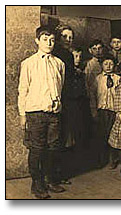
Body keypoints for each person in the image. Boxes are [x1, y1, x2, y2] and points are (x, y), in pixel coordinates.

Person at [18, 25, 65, 199]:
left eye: (52, 40)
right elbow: (23, 90)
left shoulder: (59, 63)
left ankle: (49, 179)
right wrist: (23, 115)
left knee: (53, 148)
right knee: (37, 149)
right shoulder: (28, 63)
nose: (49, 43)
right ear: (37, 40)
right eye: (45, 39)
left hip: (54, 114)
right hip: (35, 114)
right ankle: (36, 184)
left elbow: (60, 88)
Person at [53, 24, 75, 185]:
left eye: (70, 37)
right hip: (56, 99)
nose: (68, 40)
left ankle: (60, 173)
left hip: (67, 99)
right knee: (56, 138)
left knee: (64, 136)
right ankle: (54, 175)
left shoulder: (69, 55)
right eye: (65, 37)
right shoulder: (56, 55)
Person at [95, 54, 121, 168]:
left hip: (114, 111)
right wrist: (93, 111)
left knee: (113, 134)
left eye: (111, 64)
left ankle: (113, 159)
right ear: (101, 65)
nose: (108, 66)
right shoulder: (98, 79)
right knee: (102, 135)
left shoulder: (118, 78)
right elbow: (92, 95)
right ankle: (101, 159)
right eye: (106, 64)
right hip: (102, 111)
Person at [85, 39, 104, 118]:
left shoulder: (106, 62)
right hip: (94, 93)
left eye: (99, 48)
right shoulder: (89, 64)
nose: (97, 51)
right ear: (90, 50)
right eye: (94, 49)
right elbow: (87, 81)